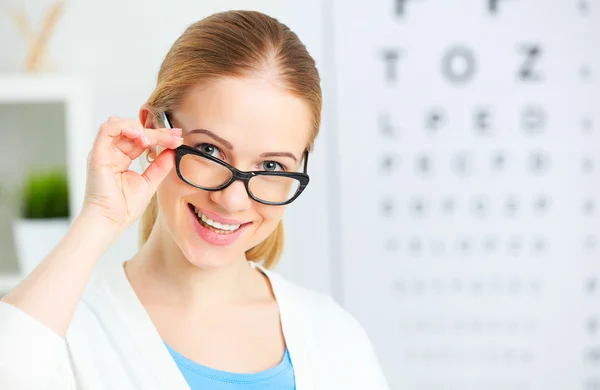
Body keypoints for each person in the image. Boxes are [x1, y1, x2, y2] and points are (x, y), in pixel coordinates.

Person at [0, 10, 390, 390]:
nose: (233, 198)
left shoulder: (333, 339)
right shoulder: (66, 330)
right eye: (211, 151)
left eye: (271, 164)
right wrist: (99, 218)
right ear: (154, 130)